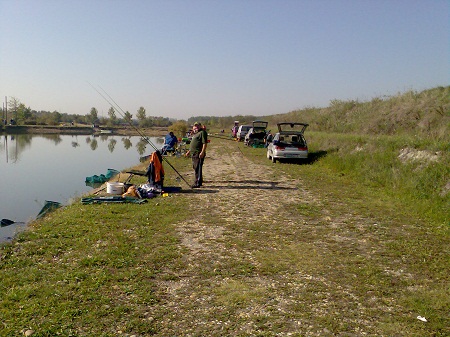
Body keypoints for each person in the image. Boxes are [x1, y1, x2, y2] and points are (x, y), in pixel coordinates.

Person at [185, 122, 207, 188]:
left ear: (200, 126)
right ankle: (199, 180)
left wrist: (202, 152)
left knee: (198, 168)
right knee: (195, 167)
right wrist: (189, 151)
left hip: (198, 153)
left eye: (197, 126)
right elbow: (194, 143)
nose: (196, 127)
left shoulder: (202, 133)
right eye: (195, 126)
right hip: (193, 153)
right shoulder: (196, 133)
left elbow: (204, 143)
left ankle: (197, 183)